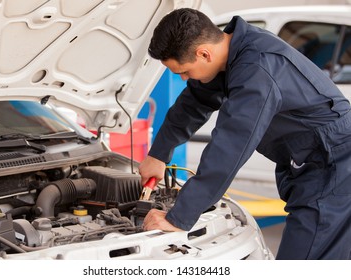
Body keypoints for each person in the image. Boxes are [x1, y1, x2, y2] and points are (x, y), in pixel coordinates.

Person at [139, 8, 351, 260]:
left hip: (333, 167)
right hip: (315, 161)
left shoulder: (256, 69)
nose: (185, 78)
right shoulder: (231, 53)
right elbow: (193, 103)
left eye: (183, 71)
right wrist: (158, 155)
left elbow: (230, 146)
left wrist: (179, 217)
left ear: (203, 53)